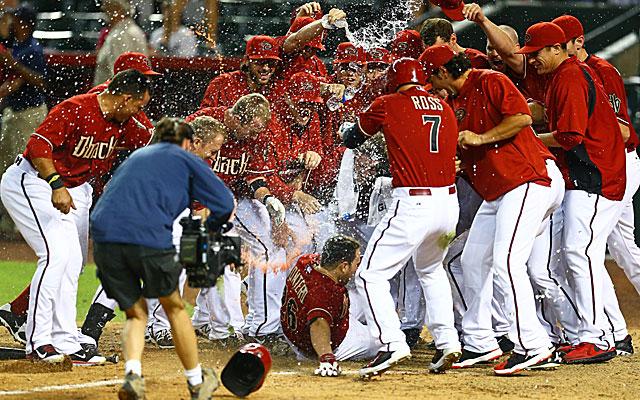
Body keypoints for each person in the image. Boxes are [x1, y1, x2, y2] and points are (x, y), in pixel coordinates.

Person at [423, 45, 560, 374]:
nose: (431, 84)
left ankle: (534, 345)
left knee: (507, 261)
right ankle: (481, 341)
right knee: (470, 261)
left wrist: (481, 139)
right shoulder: (451, 101)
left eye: (432, 77)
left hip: (530, 179)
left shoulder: (489, 80)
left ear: (444, 72)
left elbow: (523, 117)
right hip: (501, 189)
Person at [0, 69, 152, 365]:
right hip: (32, 180)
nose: (139, 112)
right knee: (55, 255)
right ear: (125, 98)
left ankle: (65, 340)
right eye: (138, 105)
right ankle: (39, 341)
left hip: (68, 187)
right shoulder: (77, 108)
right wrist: (56, 184)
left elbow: (154, 141)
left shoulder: (122, 121)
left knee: (72, 262)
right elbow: (38, 146)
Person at [91, 117, 232, 400]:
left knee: (136, 312)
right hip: (147, 237)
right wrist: (211, 230)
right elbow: (225, 203)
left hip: (104, 237)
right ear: (186, 142)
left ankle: (132, 374)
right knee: (176, 308)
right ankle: (196, 382)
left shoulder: (137, 156)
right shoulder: (184, 157)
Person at [341, 58, 461, 377]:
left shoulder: (388, 102)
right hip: (449, 205)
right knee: (432, 269)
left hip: (414, 203)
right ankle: (447, 340)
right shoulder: (444, 106)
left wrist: (348, 128)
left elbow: (352, 139)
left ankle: (392, 343)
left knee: (370, 274)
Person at [518, 22, 625, 364]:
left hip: (596, 176)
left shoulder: (569, 76)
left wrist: (526, 139)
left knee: (581, 255)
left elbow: (570, 136)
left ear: (556, 49)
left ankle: (600, 337)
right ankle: (592, 334)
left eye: (536, 53)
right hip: (588, 174)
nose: (531, 60)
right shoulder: (565, 74)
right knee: (572, 257)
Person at [552, 14, 637, 356]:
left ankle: (607, 334)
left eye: (564, 43)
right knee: (607, 251)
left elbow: (623, 131)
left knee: (601, 251)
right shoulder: (566, 75)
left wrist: (576, 134)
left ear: (578, 43)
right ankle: (616, 333)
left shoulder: (602, 72)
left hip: (618, 164)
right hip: (600, 166)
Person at [281, 235, 378, 376]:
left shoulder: (307, 261)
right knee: (383, 337)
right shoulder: (325, 294)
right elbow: (318, 324)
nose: (356, 267)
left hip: (296, 329)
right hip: (324, 344)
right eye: (355, 263)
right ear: (343, 266)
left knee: (367, 297)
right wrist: (327, 357)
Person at [0, 4, 47, 175]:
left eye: (14, 19)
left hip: (28, 114)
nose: (10, 23)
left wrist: (13, 64)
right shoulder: (18, 46)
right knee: (5, 167)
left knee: (23, 170)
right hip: (14, 113)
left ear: (23, 24)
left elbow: (41, 83)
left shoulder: (32, 49)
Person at [94, 0, 148, 86]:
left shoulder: (120, 35)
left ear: (117, 8)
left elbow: (121, 78)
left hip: (115, 96)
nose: (103, 8)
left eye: (107, 5)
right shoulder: (133, 31)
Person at [419, 17, 490, 69]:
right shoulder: (429, 66)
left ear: (453, 39)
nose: (435, 57)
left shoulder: (479, 62)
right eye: (428, 52)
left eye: (439, 50)